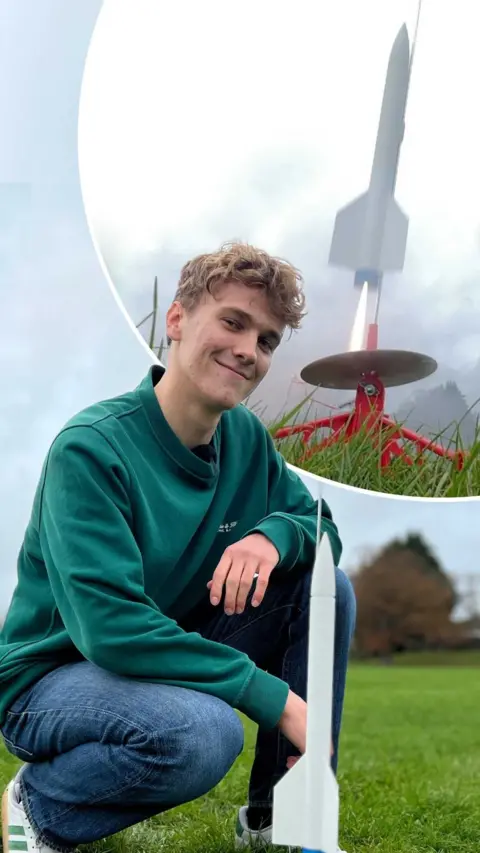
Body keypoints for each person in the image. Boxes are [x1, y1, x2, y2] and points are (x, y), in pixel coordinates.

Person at [0, 241, 356, 853]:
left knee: (326, 590)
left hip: (162, 655)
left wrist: (271, 537)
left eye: (266, 340)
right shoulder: (91, 449)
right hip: (52, 680)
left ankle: (278, 820)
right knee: (202, 735)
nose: (248, 350)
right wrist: (275, 699)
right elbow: (112, 629)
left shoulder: (246, 439)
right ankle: (35, 807)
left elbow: (322, 530)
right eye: (233, 322)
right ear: (177, 319)